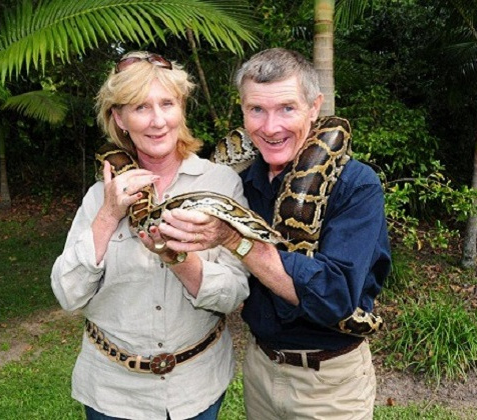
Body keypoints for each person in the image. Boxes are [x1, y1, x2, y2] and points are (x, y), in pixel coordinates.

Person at [156, 48, 392, 419]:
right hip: (260, 368)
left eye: (286, 108)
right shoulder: (240, 183)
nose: (270, 127)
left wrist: (235, 238)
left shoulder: (356, 186)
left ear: (315, 108)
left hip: (328, 384)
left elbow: (336, 296)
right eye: (256, 110)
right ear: (242, 112)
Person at [51, 51, 249, 420]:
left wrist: (177, 258)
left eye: (167, 104)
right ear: (119, 118)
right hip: (113, 392)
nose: (158, 121)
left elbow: (235, 294)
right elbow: (68, 293)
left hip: (197, 387)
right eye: (140, 107)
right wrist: (109, 215)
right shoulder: (100, 195)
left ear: (182, 109)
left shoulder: (221, 184)